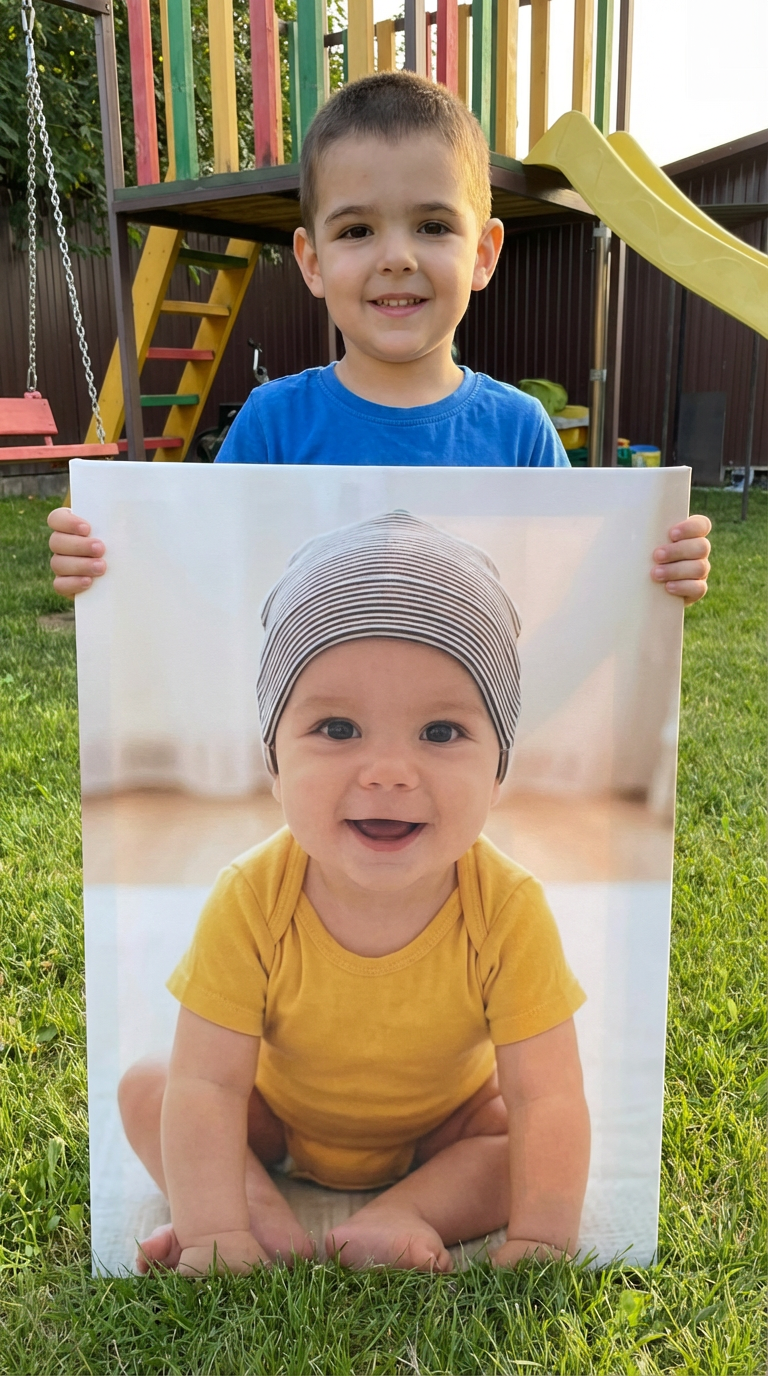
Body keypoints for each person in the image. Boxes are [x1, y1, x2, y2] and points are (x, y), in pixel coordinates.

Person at [118, 511, 590, 1276]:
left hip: (446, 1126)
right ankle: (258, 1214)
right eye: (337, 728)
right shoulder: (249, 898)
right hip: (273, 1117)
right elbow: (210, 1083)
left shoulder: (509, 907)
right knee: (155, 1089)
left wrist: (542, 1236)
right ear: (272, 760)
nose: (388, 772)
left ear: (500, 769)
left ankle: (405, 1212)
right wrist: (213, 1225)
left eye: (440, 733)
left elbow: (548, 1097)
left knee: (526, 1141)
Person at [46, 72, 711, 600]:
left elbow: (568, 587)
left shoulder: (520, 432)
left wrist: (651, 573)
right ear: (311, 260)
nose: (396, 256)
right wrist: (112, 560)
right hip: (314, 750)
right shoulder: (273, 424)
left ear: (483, 253)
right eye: (357, 230)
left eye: (432, 226)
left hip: (467, 752)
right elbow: (212, 574)